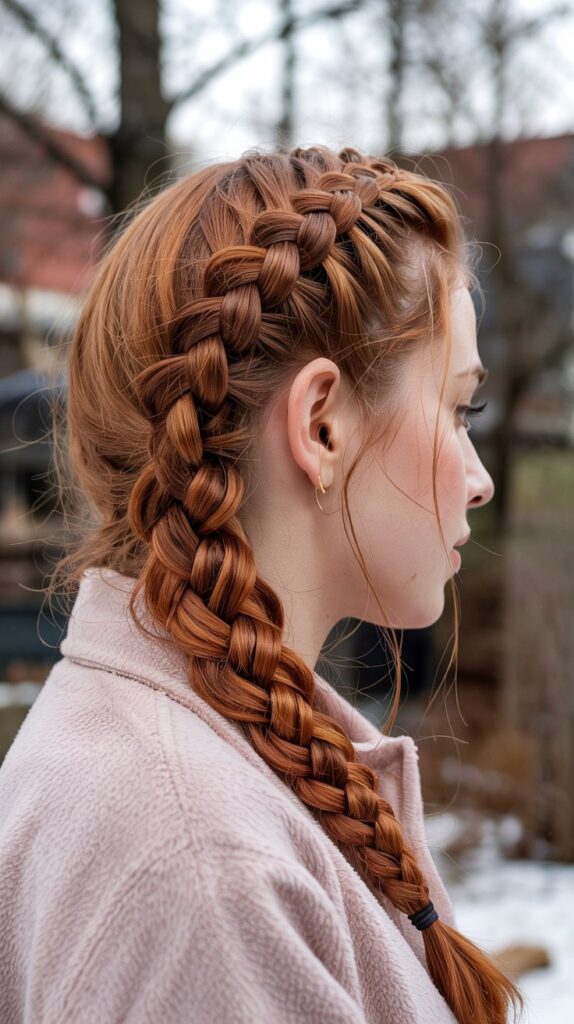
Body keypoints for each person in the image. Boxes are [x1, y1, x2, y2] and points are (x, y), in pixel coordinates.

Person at [0, 145, 525, 1023]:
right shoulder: (206, 869)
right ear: (321, 425)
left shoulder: (177, 763)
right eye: (456, 408)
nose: (480, 480)